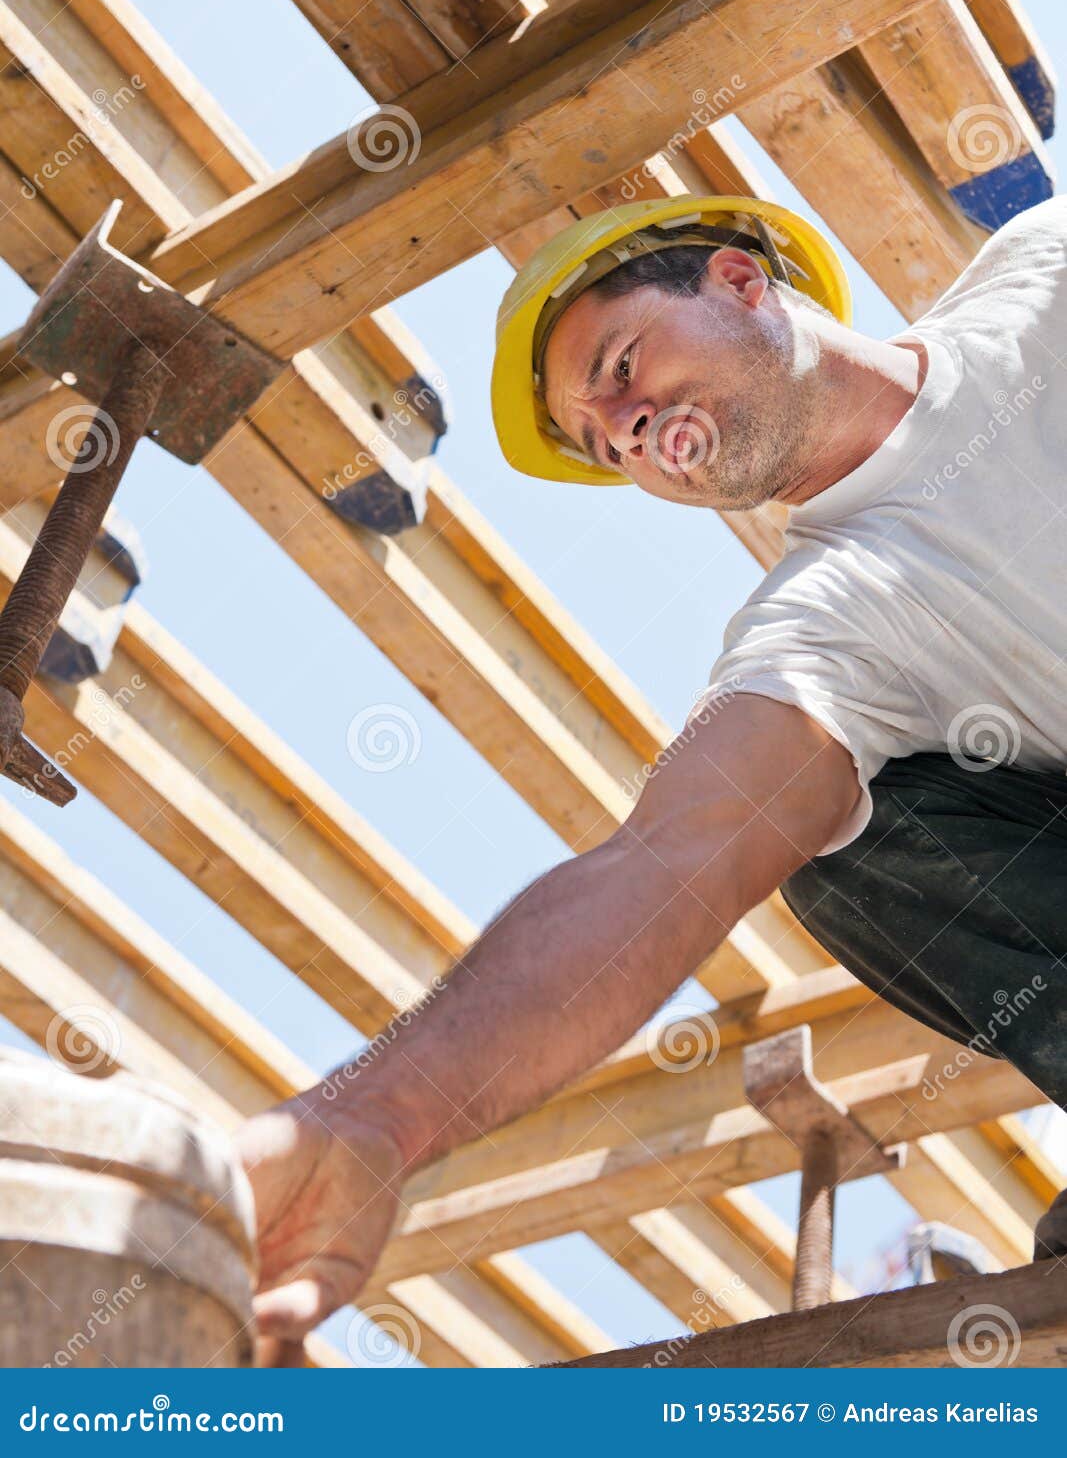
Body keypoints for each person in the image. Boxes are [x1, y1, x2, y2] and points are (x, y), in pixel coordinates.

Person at [240, 193, 1067, 1344]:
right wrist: (375, 1118)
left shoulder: (1038, 276)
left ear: (738, 281)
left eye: (620, 365)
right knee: (852, 854)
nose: (630, 428)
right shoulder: (829, 629)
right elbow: (662, 865)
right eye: (606, 440)